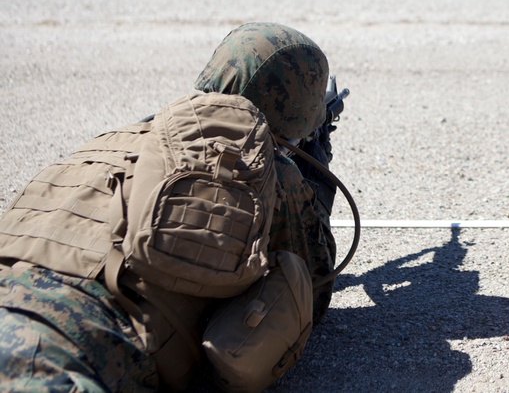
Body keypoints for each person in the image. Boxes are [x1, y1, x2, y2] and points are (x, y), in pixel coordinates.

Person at [0, 22, 342, 392]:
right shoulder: (265, 173)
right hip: (85, 338)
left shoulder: (114, 138)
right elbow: (313, 284)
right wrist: (314, 173)